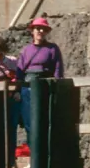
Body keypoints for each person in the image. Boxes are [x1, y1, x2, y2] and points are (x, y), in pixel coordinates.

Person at [15, 16, 64, 149]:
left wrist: (56, 87)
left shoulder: (52, 49)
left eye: (43, 29)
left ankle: (46, 150)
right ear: (32, 31)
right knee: (29, 120)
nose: (40, 31)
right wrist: (18, 90)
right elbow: (19, 72)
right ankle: (32, 149)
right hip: (28, 88)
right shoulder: (26, 50)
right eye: (37, 28)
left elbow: (58, 69)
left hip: (45, 87)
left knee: (45, 119)